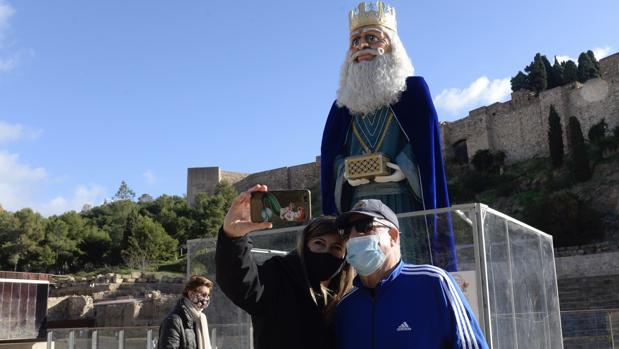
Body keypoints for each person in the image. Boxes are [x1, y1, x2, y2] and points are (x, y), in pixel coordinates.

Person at [320, 0, 456, 270]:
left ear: (391, 44)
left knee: (407, 268)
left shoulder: (412, 93)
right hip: (357, 207)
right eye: (355, 41)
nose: (362, 47)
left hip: (402, 203)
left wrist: (402, 169)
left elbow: (424, 150)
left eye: (371, 37)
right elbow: (333, 158)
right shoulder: (342, 106)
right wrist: (344, 173)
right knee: (362, 277)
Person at [335, 199, 489, 349]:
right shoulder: (346, 306)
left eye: (365, 226)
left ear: (393, 236)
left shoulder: (433, 283)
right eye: (346, 231)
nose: (353, 236)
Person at [215, 184, 354, 349]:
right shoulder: (279, 275)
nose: (326, 251)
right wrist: (233, 237)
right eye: (319, 243)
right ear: (305, 245)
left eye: (336, 248)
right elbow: (241, 283)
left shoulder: (350, 296)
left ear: (345, 255)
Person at [158, 275, 213, 349]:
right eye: (203, 294)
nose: (206, 299)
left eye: (208, 295)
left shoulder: (200, 318)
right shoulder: (174, 321)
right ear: (191, 294)